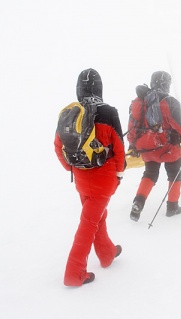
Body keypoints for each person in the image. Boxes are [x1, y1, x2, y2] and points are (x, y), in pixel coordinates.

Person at [54, 68, 125, 286]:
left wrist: (72, 168)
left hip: (81, 180)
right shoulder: (109, 112)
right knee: (88, 224)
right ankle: (74, 274)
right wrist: (119, 173)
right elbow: (120, 148)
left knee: (96, 218)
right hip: (104, 181)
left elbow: (58, 147)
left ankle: (107, 254)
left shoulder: (69, 113)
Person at [127, 71, 181, 222]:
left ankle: (138, 203)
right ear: (166, 84)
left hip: (147, 147)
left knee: (150, 174)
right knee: (174, 176)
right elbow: (180, 126)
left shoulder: (139, 101)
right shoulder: (170, 101)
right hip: (168, 148)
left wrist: (133, 145)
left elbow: (132, 126)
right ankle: (172, 207)